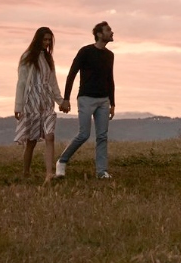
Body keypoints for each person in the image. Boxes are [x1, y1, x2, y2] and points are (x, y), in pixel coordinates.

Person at [56, 21, 116, 179]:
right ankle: (62, 161)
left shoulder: (110, 55)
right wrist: (66, 98)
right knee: (84, 134)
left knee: (102, 136)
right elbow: (72, 74)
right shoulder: (85, 51)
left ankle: (101, 171)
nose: (112, 33)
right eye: (108, 30)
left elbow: (110, 79)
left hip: (103, 100)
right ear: (99, 34)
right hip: (86, 98)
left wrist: (112, 103)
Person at [14, 26, 69, 183]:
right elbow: (21, 82)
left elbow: (53, 82)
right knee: (31, 141)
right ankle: (25, 172)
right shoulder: (27, 57)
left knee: (50, 136)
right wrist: (18, 106)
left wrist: (61, 101)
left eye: (49, 40)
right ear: (38, 39)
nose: (47, 43)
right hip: (31, 103)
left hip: (46, 102)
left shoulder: (48, 58)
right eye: (44, 39)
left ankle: (49, 174)